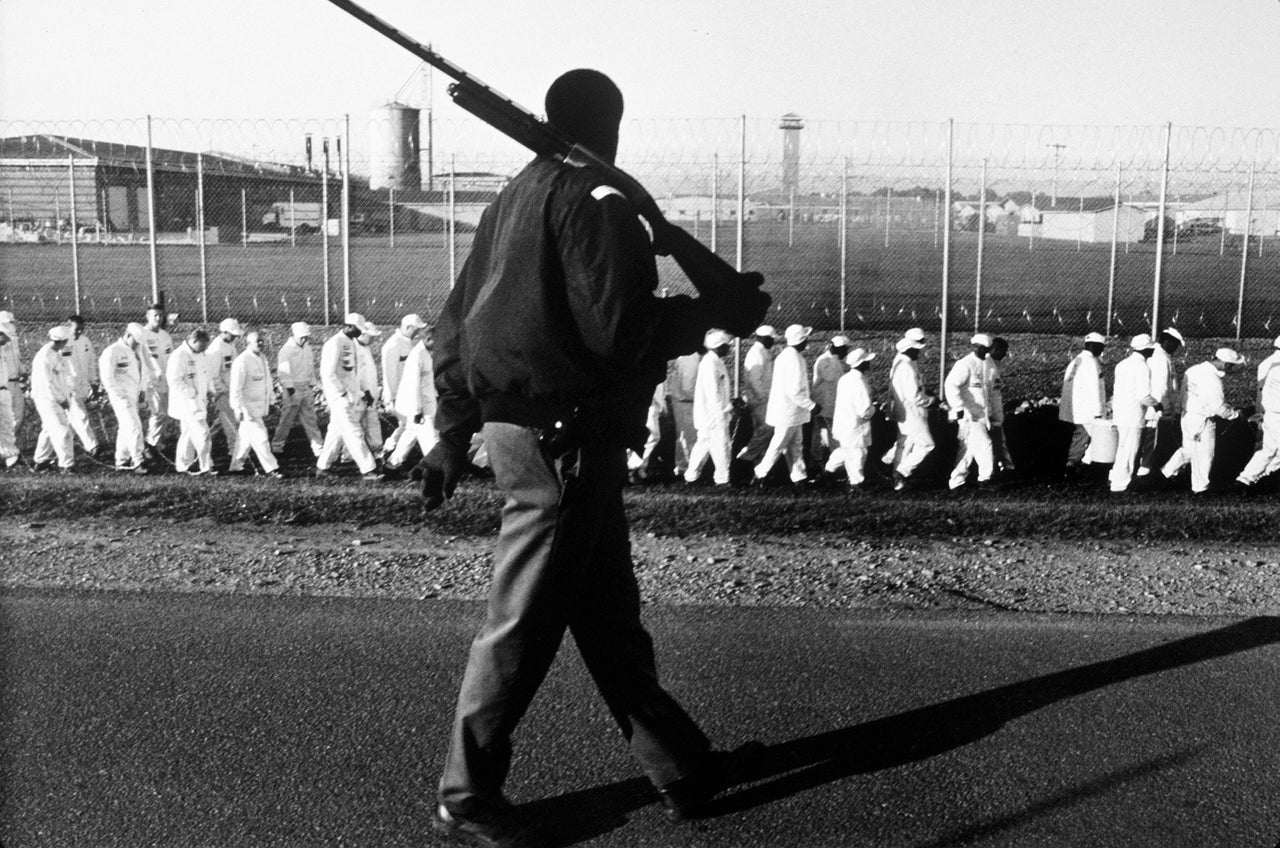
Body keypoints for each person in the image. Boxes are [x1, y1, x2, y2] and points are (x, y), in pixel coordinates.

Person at [419, 69, 768, 848]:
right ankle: (466, 795)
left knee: (609, 616)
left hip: (530, 434)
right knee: (520, 626)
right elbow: (619, 331)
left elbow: (454, 329)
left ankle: (680, 766)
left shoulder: (509, 201)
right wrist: (709, 314)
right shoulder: (599, 199)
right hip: (566, 442)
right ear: (614, 121)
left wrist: (450, 431)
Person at [1160, 347, 1244, 494]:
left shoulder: (1193, 370)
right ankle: (1201, 488)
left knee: (1189, 450)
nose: (1231, 370)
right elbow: (1218, 407)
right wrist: (1235, 415)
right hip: (1203, 420)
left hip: (1187, 416)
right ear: (1226, 364)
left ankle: (1165, 474)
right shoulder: (1213, 380)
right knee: (1205, 454)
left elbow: (1183, 392)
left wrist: (1180, 409)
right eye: (1232, 366)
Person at [315, 314, 381, 480]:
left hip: (352, 396)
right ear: (349, 326)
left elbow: (354, 373)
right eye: (358, 329)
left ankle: (322, 467)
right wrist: (341, 392)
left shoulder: (351, 343)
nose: (360, 333)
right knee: (354, 432)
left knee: (336, 432)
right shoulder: (334, 343)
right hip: (340, 397)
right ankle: (368, 469)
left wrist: (363, 392)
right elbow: (327, 373)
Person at [754, 324, 815, 485]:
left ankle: (799, 476)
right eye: (805, 338)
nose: (807, 341)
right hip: (788, 411)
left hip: (792, 411)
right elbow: (794, 390)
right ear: (800, 339)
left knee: (795, 444)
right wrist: (811, 405)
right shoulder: (793, 358)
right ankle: (760, 473)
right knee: (779, 444)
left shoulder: (789, 356)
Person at [1108, 334, 1160, 493]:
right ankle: (1121, 485)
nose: (1153, 351)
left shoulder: (1122, 364)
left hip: (1121, 412)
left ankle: (1116, 479)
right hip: (1133, 414)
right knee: (1130, 451)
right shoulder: (1142, 367)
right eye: (1151, 349)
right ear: (1146, 349)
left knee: (1123, 449)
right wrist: (1157, 404)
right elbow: (1143, 396)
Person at [228, 331, 283, 478]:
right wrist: (237, 407)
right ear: (248, 343)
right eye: (257, 341)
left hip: (258, 407)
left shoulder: (262, 358)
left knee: (245, 439)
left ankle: (236, 465)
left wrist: (271, 401)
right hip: (247, 408)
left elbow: (268, 382)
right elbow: (236, 387)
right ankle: (271, 468)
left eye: (262, 341)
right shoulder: (242, 361)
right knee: (261, 437)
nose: (261, 344)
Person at [885, 333, 935, 490]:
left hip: (905, 410)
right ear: (908, 350)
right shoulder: (906, 366)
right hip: (912, 411)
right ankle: (902, 471)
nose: (918, 352)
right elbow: (914, 395)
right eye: (916, 349)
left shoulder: (904, 363)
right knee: (927, 445)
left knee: (905, 444)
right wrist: (931, 401)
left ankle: (896, 477)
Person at [385, 327, 438, 475]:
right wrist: (416, 410)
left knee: (410, 435)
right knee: (431, 439)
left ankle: (392, 463)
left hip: (427, 402)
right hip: (419, 407)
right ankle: (435, 469)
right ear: (428, 339)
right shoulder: (417, 356)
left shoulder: (427, 353)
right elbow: (412, 386)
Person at [684, 329, 734, 486]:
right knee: (721, 445)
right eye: (726, 346)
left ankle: (691, 476)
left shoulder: (715, 362)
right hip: (713, 414)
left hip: (711, 414)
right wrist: (723, 411)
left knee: (704, 445)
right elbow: (714, 393)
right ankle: (722, 479)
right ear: (719, 346)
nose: (729, 348)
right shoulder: (710, 364)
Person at [944, 333, 994, 490]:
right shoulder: (965, 364)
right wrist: (959, 407)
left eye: (986, 348)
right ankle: (985, 479)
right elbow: (951, 385)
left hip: (980, 414)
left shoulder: (986, 364)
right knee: (985, 444)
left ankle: (957, 480)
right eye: (982, 348)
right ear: (975, 347)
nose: (984, 351)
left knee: (968, 449)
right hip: (968, 414)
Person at [98, 323, 149, 473]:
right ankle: (138, 461)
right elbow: (107, 377)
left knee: (125, 428)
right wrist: (119, 394)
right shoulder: (112, 351)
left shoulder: (137, 350)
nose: (137, 345)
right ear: (127, 335)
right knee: (134, 426)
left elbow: (143, 371)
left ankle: (121, 460)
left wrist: (142, 390)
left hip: (134, 395)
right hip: (120, 397)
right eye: (135, 341)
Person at [826, 347, 876, 489]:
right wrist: (874, 409)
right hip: (855, 425)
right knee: (858, 453)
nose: (869, 363)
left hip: (843, 423)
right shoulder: (859, 382)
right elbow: (864, 410)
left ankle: (829, 471)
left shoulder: (845, 378)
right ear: (861, 364)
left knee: (845, 450)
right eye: (866, 361)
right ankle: (856, 483)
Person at [167, 328, 215, 476]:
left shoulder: (200, 354)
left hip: (199, 401)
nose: (204, 349)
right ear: (193, 341)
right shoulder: (179, 355)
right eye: (202, 346)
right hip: (187, 403)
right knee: (203, 433)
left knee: (187, 434)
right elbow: (174, 380)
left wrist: (211, 390)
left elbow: (206, 375)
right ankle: (206, 466)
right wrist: (192, 393)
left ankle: (183, 465)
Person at [272, 321, 324, 457]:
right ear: (294, 335)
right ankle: (277, 445)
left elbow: (309, 367)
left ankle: (318, 447)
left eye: (306, 337)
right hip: (292, 389)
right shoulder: (286, 350)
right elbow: (283, 374)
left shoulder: (307, 347)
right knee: (287, 419)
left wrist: (314, 383)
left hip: (306, 388)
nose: (304, 339)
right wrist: (291, 391)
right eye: (302, 337)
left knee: (311, 419)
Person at [1060, 332, 1107, 480]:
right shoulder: (1091, 363)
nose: (1102, 351)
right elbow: (1095, 390)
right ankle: (1084, 464)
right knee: (1101, 437)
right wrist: (1099, 412)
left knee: (1081, 437)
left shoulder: (1076, 360)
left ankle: (1071, 465)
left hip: (1075, 409)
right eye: (1101, 347)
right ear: (1093, 345)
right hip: (1088, 410)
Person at [30, 326, 77, 473]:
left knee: (49, 430)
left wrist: (66, 397)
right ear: (61, 341)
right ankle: (66, 465)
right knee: (62, 431)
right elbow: (47, 384)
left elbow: (59, 379)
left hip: (56, 398)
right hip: (47, 399)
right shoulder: (44, 357)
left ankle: (40, 462)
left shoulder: (55, 354)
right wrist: (61, 399)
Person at [1138, 327, 1184, 478]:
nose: (1176, 348)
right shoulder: (1160, 358)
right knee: (1151, 440)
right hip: (1156, 406)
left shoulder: (1161, 355)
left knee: (1150, 439)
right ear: (1166, 341)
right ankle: (1145, 471)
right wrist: (1165, 407)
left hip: (1155, 405)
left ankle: (1146, 468)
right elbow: (1161, 387)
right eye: (1175, 344)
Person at [381, 314, 428, 459]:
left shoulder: (407, 342)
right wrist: (392, 397)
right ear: (408, 327)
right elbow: (389, 373)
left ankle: (391, 450)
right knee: (410, 425)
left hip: (407, 393)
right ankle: (392, 453)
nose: (418, 333)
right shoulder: (393, 344)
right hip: (398, 395)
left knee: (407, 426)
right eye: (416, 329)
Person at [1236, 336, 1280, 491]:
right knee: (1270, 450)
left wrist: (1260, 412)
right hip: (1276, 414)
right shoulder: (1275, 367)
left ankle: (1263, 477)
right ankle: (1248, 479)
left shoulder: (1267, 364)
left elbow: (1261, 392)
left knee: (1272, 449)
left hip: (1271, 412)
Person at [734, 325, 779, 469]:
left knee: (763, 431)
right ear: (765, 338)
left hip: (763, 398)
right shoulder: (756, 353)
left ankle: (757, 462)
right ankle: (745, 458)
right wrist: (764, 397)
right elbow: (755, 379)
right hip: (761, 400)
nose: (773, 342)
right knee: (766, 429)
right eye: (771, 339)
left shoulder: (762, 351)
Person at [205, 317, 243, 464]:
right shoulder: (216, 349)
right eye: (232, 334)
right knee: (231, 423)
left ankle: (202, 441)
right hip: (223, 392)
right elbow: (213, 375)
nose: (235, 337)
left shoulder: (230, 345)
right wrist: (222, 390)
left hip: (231, 390)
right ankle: (233, 452)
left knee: (222, 421)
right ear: (224, 332)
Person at [65, 315, 104, 458]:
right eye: (76, 329)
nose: (79, 332)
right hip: (67, 387)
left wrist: (94, 382)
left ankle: (43, 456)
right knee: (81, 415)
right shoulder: (62, 342)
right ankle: (92, 446)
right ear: (68, 327)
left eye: (81, 329)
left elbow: (91, 363)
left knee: (67, 421)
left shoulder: (86, 342)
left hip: (82, 386)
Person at [810, 334, 850, 469]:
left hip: (831, 402)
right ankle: (828, 462)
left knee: (823, 433)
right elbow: (831, 376)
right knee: (829, 433)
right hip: (824, 403)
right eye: (844, 349)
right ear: (836, 348)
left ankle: (819, 460)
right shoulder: (825, 360)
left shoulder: (834, 360)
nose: (846, 352)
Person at [140, 305, 175, 458]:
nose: (158, 318)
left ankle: (157, 441)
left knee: (167, 413)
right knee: (158, 413)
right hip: (151, 382)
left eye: (161, 315)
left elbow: (171, 357)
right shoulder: (142, 335)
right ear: (147, 316)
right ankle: (149, 444)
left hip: (166, 380)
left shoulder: (165, 335)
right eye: (155, 315)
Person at [666, 350, 700, 478]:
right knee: (689, 435)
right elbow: (687, 389)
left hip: (684, 401)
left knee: (686, 436)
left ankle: (684, 467)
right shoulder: (690, 359)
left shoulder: (690, 357)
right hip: (686, 402)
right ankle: (685, 467)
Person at [985, 337, 1015, 474]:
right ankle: (1000, 467)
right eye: (1004, 350)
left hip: (995, 411)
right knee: (991, 440)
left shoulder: (994, 364)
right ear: (995, 349)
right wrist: (989, 412)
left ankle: (1005, 465)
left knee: (998, 439)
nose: (1005, 354)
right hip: (989, 411)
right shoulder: (987, 365)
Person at [355, 320, 384, 456]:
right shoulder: (353, 348)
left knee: (373, 421)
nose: (373, 340)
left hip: (370, 393)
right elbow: (356, 375)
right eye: (371, 337)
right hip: (360, 394)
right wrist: (364, 393)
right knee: (355, 424)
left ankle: (377, 449)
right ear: (363, 334)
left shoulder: (365, 348)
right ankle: (347, 454)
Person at [0, 310, 25, 433]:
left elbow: (17, 358)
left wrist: (23, 372)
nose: (10, 325)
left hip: (15, 382)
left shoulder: (13, 340)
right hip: (4, 385)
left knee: (18, 415)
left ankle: (9, 445)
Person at [0, 319, 19, 469]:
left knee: (7, 424)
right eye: (5, 337)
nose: (7, 341)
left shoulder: (2, 350)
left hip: (3, 391)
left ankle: (10, 456)